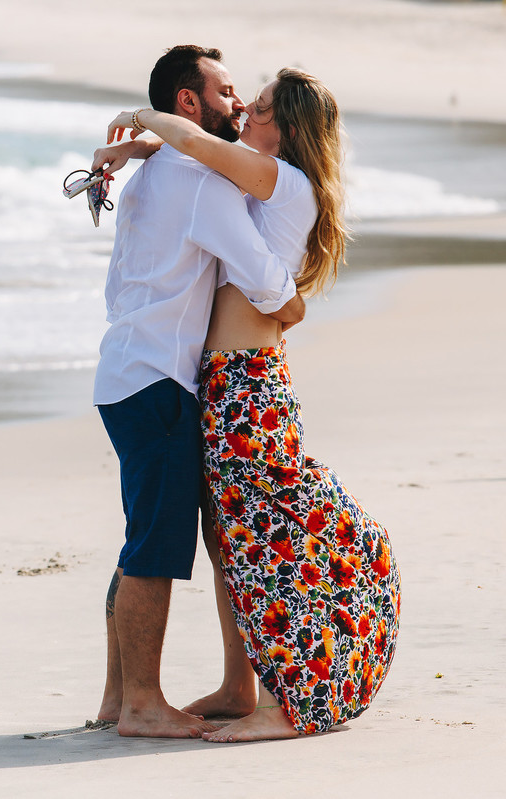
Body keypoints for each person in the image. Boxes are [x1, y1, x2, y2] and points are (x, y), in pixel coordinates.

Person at [95, 68, 401, 742]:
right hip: (228, 380)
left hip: (246, 380)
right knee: (230, 534)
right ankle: (242, 684)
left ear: (286, 130)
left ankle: (280, 703)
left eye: (258, 108)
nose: (244, 113)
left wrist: (138, 119)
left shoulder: (280, 181)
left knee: (262, 536)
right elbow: (197, 157)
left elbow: (201, 147)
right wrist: (137, 150)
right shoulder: (260, 177)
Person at [88, 45, 306, 739]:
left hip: (124, 371)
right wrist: (290, 302)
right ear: (190, 102)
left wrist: (139, 145)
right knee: (155, 545)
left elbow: (182, 160)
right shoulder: (202, 184)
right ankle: (144, 704)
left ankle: (119, 697)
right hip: (160, 380)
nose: (239, 102)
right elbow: (262, 275)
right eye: (228, 90)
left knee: (140, 537)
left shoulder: (161, 175)